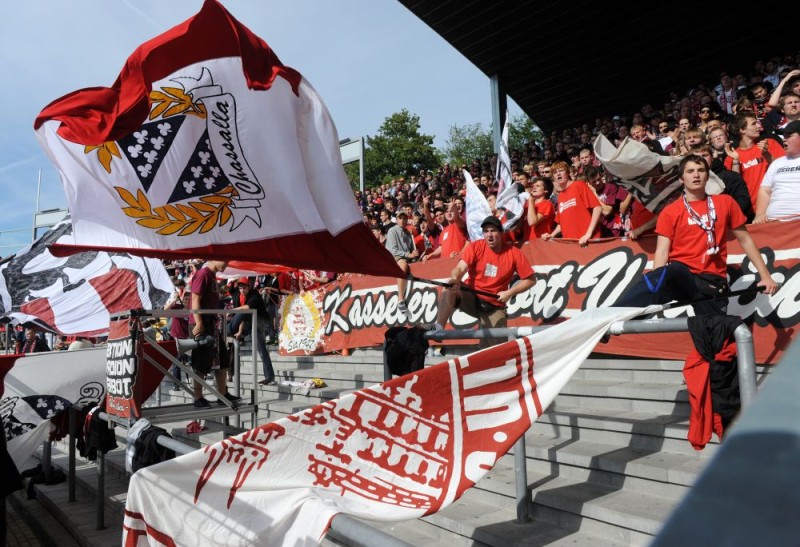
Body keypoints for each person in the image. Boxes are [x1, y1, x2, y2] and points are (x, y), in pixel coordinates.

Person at [615, 154, 778, 316]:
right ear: (681, 179)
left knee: (715, 330)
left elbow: (746, 240)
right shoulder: (670, 211)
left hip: (712, 279)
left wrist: (765, 276)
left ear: (707, 176)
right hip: (682, 274)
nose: (696, 175)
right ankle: (615, 314)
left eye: (700, 170)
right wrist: (658, 284)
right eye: (690, 171)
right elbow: (662, 251)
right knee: (665, 274)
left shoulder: (725, 202)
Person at [433, 215, 536, 347]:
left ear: (501, 233)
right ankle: (439, 329)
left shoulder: (514, 253)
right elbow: (459, 268)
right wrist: (454, 279)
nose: (489, 235)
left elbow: (531, 280)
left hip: (494, 305)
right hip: (471, 297)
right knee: (449, 286)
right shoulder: (476, 246)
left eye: (493, 231)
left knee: (495, 349)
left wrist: (509, 293)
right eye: (486, 231)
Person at [189, 260, 240, 409]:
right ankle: (198, 397)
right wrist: (199, 322)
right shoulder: (203, 274)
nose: (226, 264)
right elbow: (195, 298)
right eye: (225, 260)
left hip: (210, 323)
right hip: (201, 324)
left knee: (223, 359)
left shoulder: (211, 275)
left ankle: (222, 394)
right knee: (201, 361)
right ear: (215, 259)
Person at [724, 111, 786, 209]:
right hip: (749, 210)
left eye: (757, 122)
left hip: (775, 204)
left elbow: (785, 169)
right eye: (753, 124)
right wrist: (735, 161)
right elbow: (735, 186)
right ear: (742, 130)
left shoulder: (770, 143)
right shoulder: (731, 157)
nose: (758, 126)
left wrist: (767, 154)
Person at [542, 161, 603, 246]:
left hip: (589, 241)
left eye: (561, 170)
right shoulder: (560, 196)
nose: (558, 174)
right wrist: (552, 235)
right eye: (555, 172)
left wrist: (588, 234)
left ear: (567, 173)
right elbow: (561, 223)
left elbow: (597, 208)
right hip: (572, 244)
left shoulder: (579, 185)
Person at [228, 277, 275, 386]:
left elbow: (247, 307)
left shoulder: (254, 294)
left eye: (244, 288)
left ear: (249, 287)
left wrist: (232, 311)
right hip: (250, 318)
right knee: (261, 349)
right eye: (240, 288)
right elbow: (241, 316)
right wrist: (240, 331)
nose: (242, 290)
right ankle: (270, 376)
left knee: (261, 348)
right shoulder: (237, 296)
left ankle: (228, 331)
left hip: (261, 319)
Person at [754, 121, 800, 223]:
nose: (784, 139)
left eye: (789, 136)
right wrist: (759, 214)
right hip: (774, 223)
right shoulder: (777, 163)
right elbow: (765, 190)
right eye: (784, 136)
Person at [384, 211, 418, 319]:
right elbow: (393, 250)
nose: (402, 220)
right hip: (393, 257)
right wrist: (409, 255)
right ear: (397, 220)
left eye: (404, 218)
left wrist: (414, 253)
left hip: (405, 257)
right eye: (400, 218)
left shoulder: (408, 233)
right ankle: (400, 298)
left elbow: (411, 250)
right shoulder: (392, 230)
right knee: (403, 265)